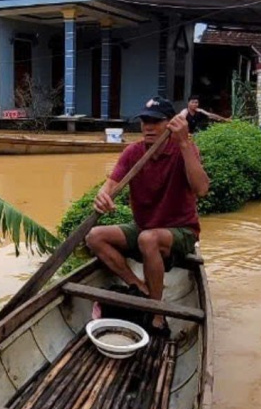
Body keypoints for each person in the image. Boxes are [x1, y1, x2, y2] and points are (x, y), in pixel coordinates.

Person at [85, 96, 210, 335]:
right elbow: (111, 183)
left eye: (155, 122)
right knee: (94, 237)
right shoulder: (134, 152)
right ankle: (139, 286)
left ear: (170, 124)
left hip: (180, 231)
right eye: (144, 121)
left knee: (148, 240)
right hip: (144, 227)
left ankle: (157, 314)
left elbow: (202, 189)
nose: (148, 127)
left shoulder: (184, 149)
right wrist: (103, 196)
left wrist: (184, 143)